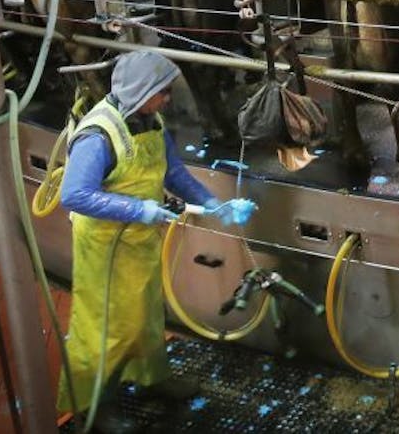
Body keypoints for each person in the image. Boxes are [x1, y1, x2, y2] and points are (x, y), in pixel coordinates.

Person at [58, 50, 255, 434]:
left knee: (146, 317)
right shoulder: (98, 136)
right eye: (161, 91)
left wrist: (214, 205)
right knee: (106, 329)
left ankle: (152, 379)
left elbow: (174, 173)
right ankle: (93, 408)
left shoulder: (150, 119)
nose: (167, 98)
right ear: (139, 90)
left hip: (137, 242)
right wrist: (139, 210)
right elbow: (74, 194)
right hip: (104, 248)